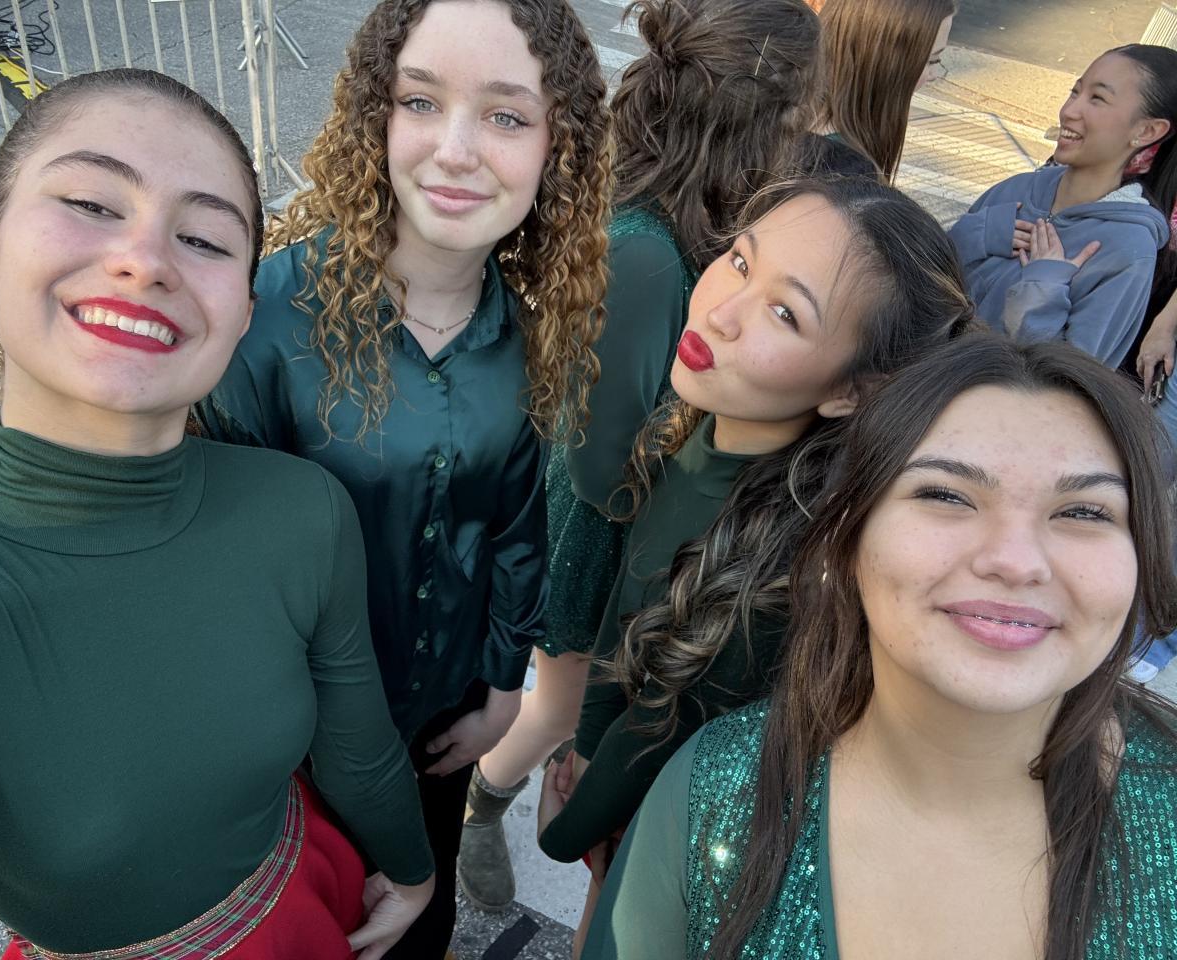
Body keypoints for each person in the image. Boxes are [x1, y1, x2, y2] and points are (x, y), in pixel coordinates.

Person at [0, 68, 435, 960]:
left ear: (243, 313)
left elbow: (359, 747)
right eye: (91, 203)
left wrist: (413, 872)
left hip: (309, 900)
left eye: (203, 239)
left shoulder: (302, 509)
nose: (145, 260)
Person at [193, 0, 612, 954]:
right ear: (373, 118)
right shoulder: (267, 322)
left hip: (440, 729)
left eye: (505, 116)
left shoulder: (526, 333)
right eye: (421, 101)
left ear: (559, 148)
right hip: (292, 765)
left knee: (424, 932)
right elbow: (217, 573)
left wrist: (501, 685)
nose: (456, 151)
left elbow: (515, 524)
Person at [583, 335, 1177, 959]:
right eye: (946, 495)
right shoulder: (712, 792)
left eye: (1084, 512)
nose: (1016, 561)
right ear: (845, 537)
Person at [535, 176, 974, 949]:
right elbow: (625, 626)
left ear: (849, 391)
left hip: (682, 849)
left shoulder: (782, 572)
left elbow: (660, 731)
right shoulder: (698, 429)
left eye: (784, 312)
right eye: (740, 261)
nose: (721, 311)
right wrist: (585, 745)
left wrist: (569, 828)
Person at [460, 0, 825, 913]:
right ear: (764, 118)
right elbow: (598, 460)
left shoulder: (675, 217)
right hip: (599, 528)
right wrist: (678, 502)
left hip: (619, 513)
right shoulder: (650, 256)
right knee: (558, 705)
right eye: (805, 108)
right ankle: (480, 805)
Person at [949, 45, 1176, 370]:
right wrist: (970, 237)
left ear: (1147, 131)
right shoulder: (1017, 188)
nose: (1069, 110)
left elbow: (1072, 381)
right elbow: (925, 284)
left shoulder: (1128, 249)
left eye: (1097, 98)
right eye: (1075, 91)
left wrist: (1040, 292)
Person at [814, 0, 956, 180]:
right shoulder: (845, 168)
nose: (933, 75)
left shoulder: (792, 114)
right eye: (931, 60)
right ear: (886, 60)